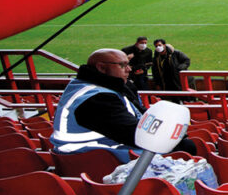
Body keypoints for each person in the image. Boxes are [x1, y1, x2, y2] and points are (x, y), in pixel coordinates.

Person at [51, 48, 195, 161]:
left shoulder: (105, 87)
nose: (129, 69)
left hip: (98, 153)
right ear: (101, 68)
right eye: (122, 65)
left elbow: (141, 115)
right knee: (185, 148)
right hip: (93, 158)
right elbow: (135, 135)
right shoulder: (97, 99)